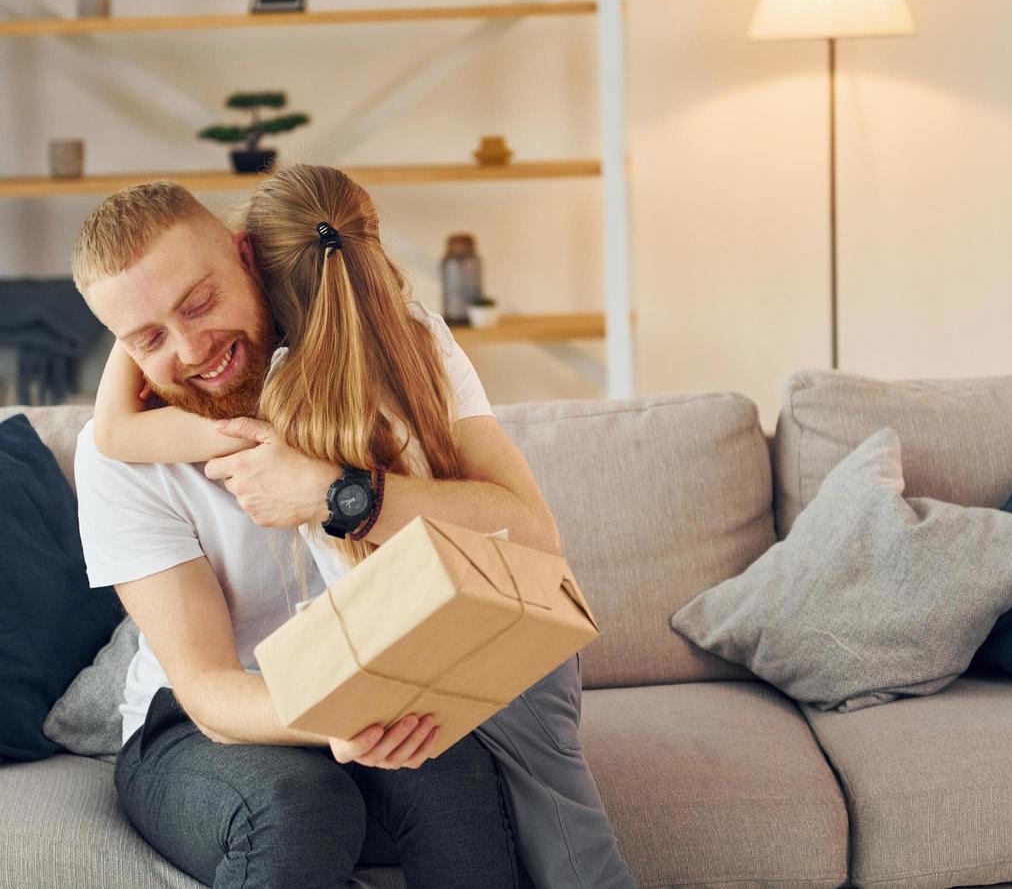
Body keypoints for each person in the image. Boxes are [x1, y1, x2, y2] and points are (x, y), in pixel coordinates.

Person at [72, 165, 634, 888]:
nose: (190, 350)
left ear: (247, 257)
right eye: (147, 338)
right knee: (304, 805)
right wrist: (335, 717)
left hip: (386, 681)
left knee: (455, 779)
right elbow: (208, 688)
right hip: (203, 726)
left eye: (200, 302)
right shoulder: (120, 454)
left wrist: (343, 494)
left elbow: (528, 534)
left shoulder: (388, 342)